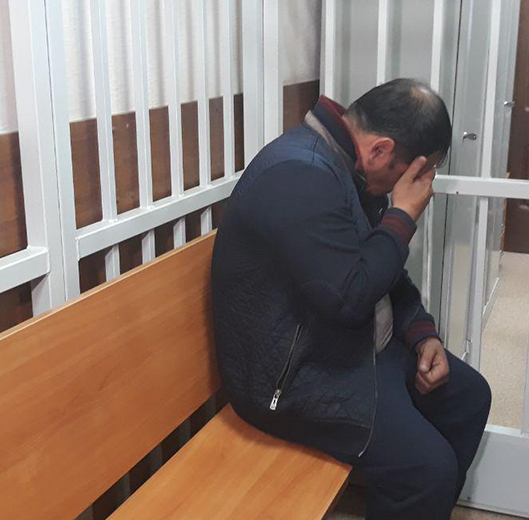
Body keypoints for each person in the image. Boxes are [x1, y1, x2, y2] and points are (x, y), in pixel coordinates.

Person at [211, 79, 492, 519]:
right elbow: (348, 298)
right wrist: (403, 215)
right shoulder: (300, 175)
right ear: (381, 150)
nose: (417, 187)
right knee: (426, 471)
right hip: (292, 380)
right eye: (414, 174)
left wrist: (422, 333)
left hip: (348, 347)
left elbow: (381, 269)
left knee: (469, 397)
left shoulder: (344, 164)